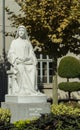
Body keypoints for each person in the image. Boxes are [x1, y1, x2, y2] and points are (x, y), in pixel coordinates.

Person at [8, 25, 39, 95]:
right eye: (20, 31)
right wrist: (16, 58)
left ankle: (32, 90)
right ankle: (23, 89)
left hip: (27, 62)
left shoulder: (27, 43)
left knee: (33, 68)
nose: (21, 32)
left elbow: (31, 53)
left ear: (24, 32)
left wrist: (30, 59)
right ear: (18, 32)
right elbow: (10, 53)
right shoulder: (14, 42)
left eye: (22, 31)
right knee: (21, 68)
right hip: (18, 62)